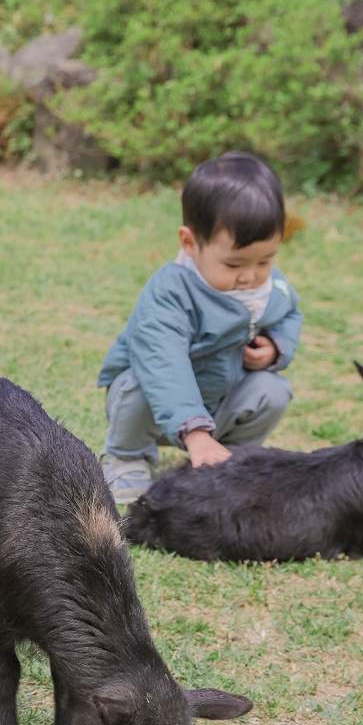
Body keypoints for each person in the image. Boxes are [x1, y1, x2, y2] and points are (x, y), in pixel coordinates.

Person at [98, 152, 304, 505]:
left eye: (265, 260)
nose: (250, 276)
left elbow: (289, 314)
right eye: (234, 264)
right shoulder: (170, 292)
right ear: (190, 243)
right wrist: (194, 432)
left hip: (221, 399)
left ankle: (233, 457)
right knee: (137, 385)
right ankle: (126, 457)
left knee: (273, 390)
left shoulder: (270, 288)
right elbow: (163, 363)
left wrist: (275, 346)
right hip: (157, 406)